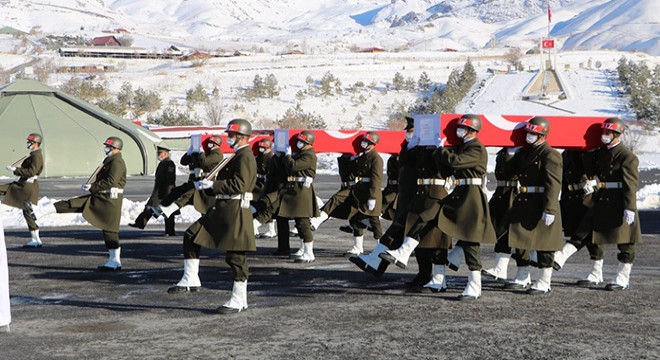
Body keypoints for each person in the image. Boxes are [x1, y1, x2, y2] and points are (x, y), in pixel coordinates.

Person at [168, 119, 257, 315]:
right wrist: (208, 185)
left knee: (236, 256)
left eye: (231, 135)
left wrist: (213, 186)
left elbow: (241, 185)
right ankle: (191, 277)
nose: (228, 138)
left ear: (241, 137)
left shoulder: (246, 157)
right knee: (192, 235)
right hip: (222, 208)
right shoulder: (236, 156)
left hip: (235, 210)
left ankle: (239, 299)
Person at [31, 137, 127, 271]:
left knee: (110, 229)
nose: (106, 149)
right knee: (74, 203)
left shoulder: (117, 162)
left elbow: (111, 181)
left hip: (109, 200)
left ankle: (115, 261)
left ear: (115, 148)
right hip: (101, 197)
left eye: (108, 147)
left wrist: (93, 186)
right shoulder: (111, 161)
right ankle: (43, 210)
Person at [429, 114, 496, 300]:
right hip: (460, 192)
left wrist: (441, 150)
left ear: (472, 131)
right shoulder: (462, 147)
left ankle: (475, 286)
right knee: (439, 223)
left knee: (471, 240)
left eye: (463, 128)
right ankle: (440, 273)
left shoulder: (477, 148)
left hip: (471, 195)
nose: (460, 131)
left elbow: (455, 162)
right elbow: (448, 168)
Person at [572, 118, 641, 290]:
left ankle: (622, 278)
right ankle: (596, 273)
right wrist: (589, 150)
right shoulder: (601, 153)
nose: (604, 135)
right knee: (595, 238)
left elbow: (630, 184)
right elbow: (589, 170)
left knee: (625, 242)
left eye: (607, 133)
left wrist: (630, 207)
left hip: (620, 200)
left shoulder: (627, 156)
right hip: (602, 198)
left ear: (616, 135)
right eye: (603, 132)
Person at [349, 116, 417, 279]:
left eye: (411, 131)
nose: (408, 134)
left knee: (420, 237)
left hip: (418, 195)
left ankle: (432, 276)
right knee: (395, 231)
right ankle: (374, 262)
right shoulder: (409, 146)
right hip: (406, 196)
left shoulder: (424, 147)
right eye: (407, 131)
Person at [506, 116, 563, 295]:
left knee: (545, 243)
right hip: (524, 200)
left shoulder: (551, 155)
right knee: (520, 240)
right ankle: (523, 275)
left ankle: (545, 281)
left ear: (542, 135)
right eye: (528, 132)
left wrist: (550, 209)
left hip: (541, 202)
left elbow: (553, 184)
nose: (528, 136)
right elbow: (508, 172)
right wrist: (509, 154)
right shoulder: (524, 152)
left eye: (533, 133)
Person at [552, 149, 605, 286]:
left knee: (590, 234)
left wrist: (594, 189)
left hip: (588, 196)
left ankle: (596, 272)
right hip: (572, 197)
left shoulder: (592, 152)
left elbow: (599, 173)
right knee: (581, 233)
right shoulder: (567, 153)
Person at [152, 135, 223, 218]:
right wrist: (189, 152)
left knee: (205, 207)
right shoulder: (205, 153)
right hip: (196, 181)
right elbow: (183, 161)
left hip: (206, 183)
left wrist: (201, 152)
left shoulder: (217, 154)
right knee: (181, 194)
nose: (209, 144)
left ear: (216, 144)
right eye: (209, 142)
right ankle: (164, 209)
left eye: (212, 143)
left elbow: (204, 162)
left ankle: (166, 209)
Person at [277, 131, 320, 263]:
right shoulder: (302, 154)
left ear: (308, 144)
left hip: (302, 191)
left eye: (302, 142)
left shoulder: (309, 155)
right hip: (296, 190)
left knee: (303, 222)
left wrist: (288, 156)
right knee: (299, 222)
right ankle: (303, 248)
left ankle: (309, 252)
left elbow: (294, 166)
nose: (299, 144)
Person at [481, 147, 520, 281]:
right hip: (501, 195)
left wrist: (512, 153)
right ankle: (500, 269)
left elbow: (512, 173)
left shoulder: (523, 153)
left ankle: (524, 274)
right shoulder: (503, 152)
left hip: (515, 195)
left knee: (516, 236)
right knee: (500, 231)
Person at [1, 133, 44, 248]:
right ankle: (36, 239)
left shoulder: (36, 156)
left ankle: (36, 240)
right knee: (27, 211)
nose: (28, 143)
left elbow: (31, 172)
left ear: (35, 143)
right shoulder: (34, 155)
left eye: (30, 142)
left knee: (27, 211)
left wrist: (15, 170)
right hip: (24, 185)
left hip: (25, 187)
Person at [344, 131, 383, 256]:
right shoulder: (362, 156)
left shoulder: (376, 158)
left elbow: (376, 179)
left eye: (367, 142)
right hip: (360, 191)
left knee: (374, 221)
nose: (364, 143)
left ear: (372, 144)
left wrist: (372, 197)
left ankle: (380, 247)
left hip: (371, 193)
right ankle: (358, 247)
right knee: (356, 219)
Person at [129, 145, 177, 236]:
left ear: (165, 154)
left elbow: (170, 179)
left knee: (167, 211)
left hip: (165, 191)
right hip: (159, 190)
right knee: (151, 206)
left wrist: (169, 193)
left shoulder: (169, 163)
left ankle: (170, 231)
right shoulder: (163, 163)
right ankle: (140, 223)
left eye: (160, 153)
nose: (158, 155)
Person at [253, 138, 277, 238]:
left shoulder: (270, 157)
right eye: (260, 147)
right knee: (258, 206)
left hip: (264, 185)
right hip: (257, 184)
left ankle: (270, 230)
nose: (261, 149)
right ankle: (264, 230)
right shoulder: (260, 157)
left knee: (264, 206)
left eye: (263, 147)